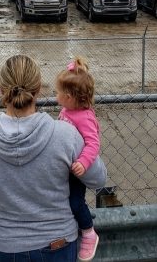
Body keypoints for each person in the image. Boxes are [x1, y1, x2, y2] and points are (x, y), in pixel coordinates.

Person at [0, 54, 107, 261]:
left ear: (1, 90)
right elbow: (98, 179)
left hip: (5, 245)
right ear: (38, 90)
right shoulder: (65, 134)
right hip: (57, 243)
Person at [56, 57, 101, 261]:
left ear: (68, 96)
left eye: (58, 93)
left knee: (75, 202)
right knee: (63, 200)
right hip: (65, 167)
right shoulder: (67, 110)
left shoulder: (84, 117)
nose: (55, 96)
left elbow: (93, 144)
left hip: (76, 170)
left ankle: (89, 232)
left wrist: (83, 162)